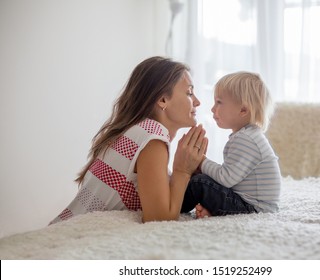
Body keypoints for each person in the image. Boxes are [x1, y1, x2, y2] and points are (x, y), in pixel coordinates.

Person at [50, 56, 207, 224]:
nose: (197, 102)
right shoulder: (152, 135)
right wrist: (182, 171)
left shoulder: (137, 131)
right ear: (162, 100)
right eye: (189, 93)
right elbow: (159, 219)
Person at [181, 71, 281, 218]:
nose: (212, 108)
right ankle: (214, 210)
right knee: (204, 179)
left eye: (219, 102)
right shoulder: (248, 135)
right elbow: (231, 178)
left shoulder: (246, 139)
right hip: (249, 203)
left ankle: (174, 205)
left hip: (254, 209)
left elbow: (226, 178)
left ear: (243, 110)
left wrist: (201, 162)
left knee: (199, 182)